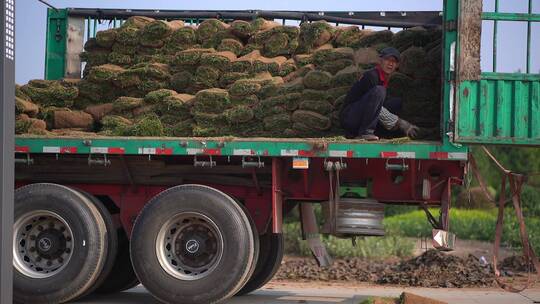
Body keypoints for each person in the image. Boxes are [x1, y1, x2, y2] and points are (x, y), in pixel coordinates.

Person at [340, 47, 420, 141]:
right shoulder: (371, 76)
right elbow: (376, 107)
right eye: (387, 59)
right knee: (379, 91)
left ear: (397, 65)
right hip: (350, 118)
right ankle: (365, 133)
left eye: (394, 61)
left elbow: (378, 107)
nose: (390, 64)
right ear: (380, 60)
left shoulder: (384, 79)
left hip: (362, 116)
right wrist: (400, 123)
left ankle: (381, 134)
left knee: (396, 103)